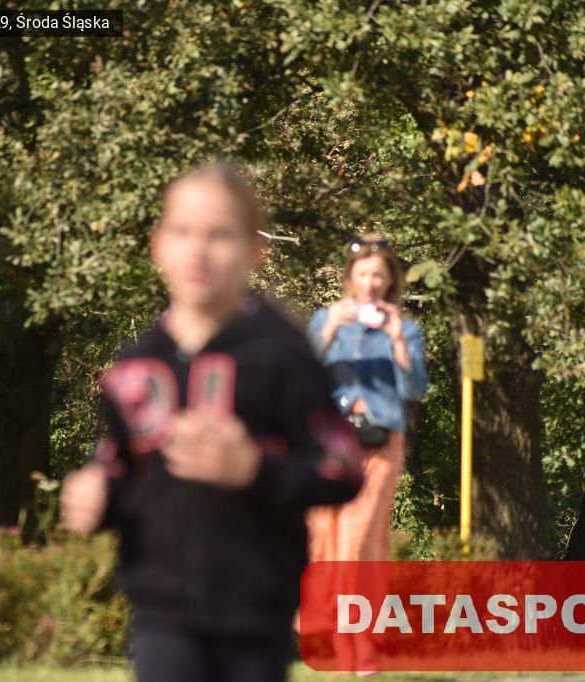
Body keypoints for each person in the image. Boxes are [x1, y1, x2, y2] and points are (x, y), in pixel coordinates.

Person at [59, 162, 365, 682]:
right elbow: (120, 469)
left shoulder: (282, 356)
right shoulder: (136, 366)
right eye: (182, 232)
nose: (198, 251)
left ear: (254, 251)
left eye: (219, 235)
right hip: (161, 613)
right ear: (158, 245)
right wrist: (97, 495)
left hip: (256, 612)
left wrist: (254, 469)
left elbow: (343, 469)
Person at [302, 234, 428, 674]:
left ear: (390, 281)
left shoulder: (404, 328)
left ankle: (353, 642)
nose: (371, 282)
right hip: (331, 441)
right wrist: (329, 330)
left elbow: (415, 388)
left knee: (358, 535)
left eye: (379, 275)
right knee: (329, 532)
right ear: (350, 277)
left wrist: (396, 341)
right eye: (363, 274)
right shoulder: (326, 319)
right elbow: (300, 376)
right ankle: (351, 634)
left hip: (381, 442)